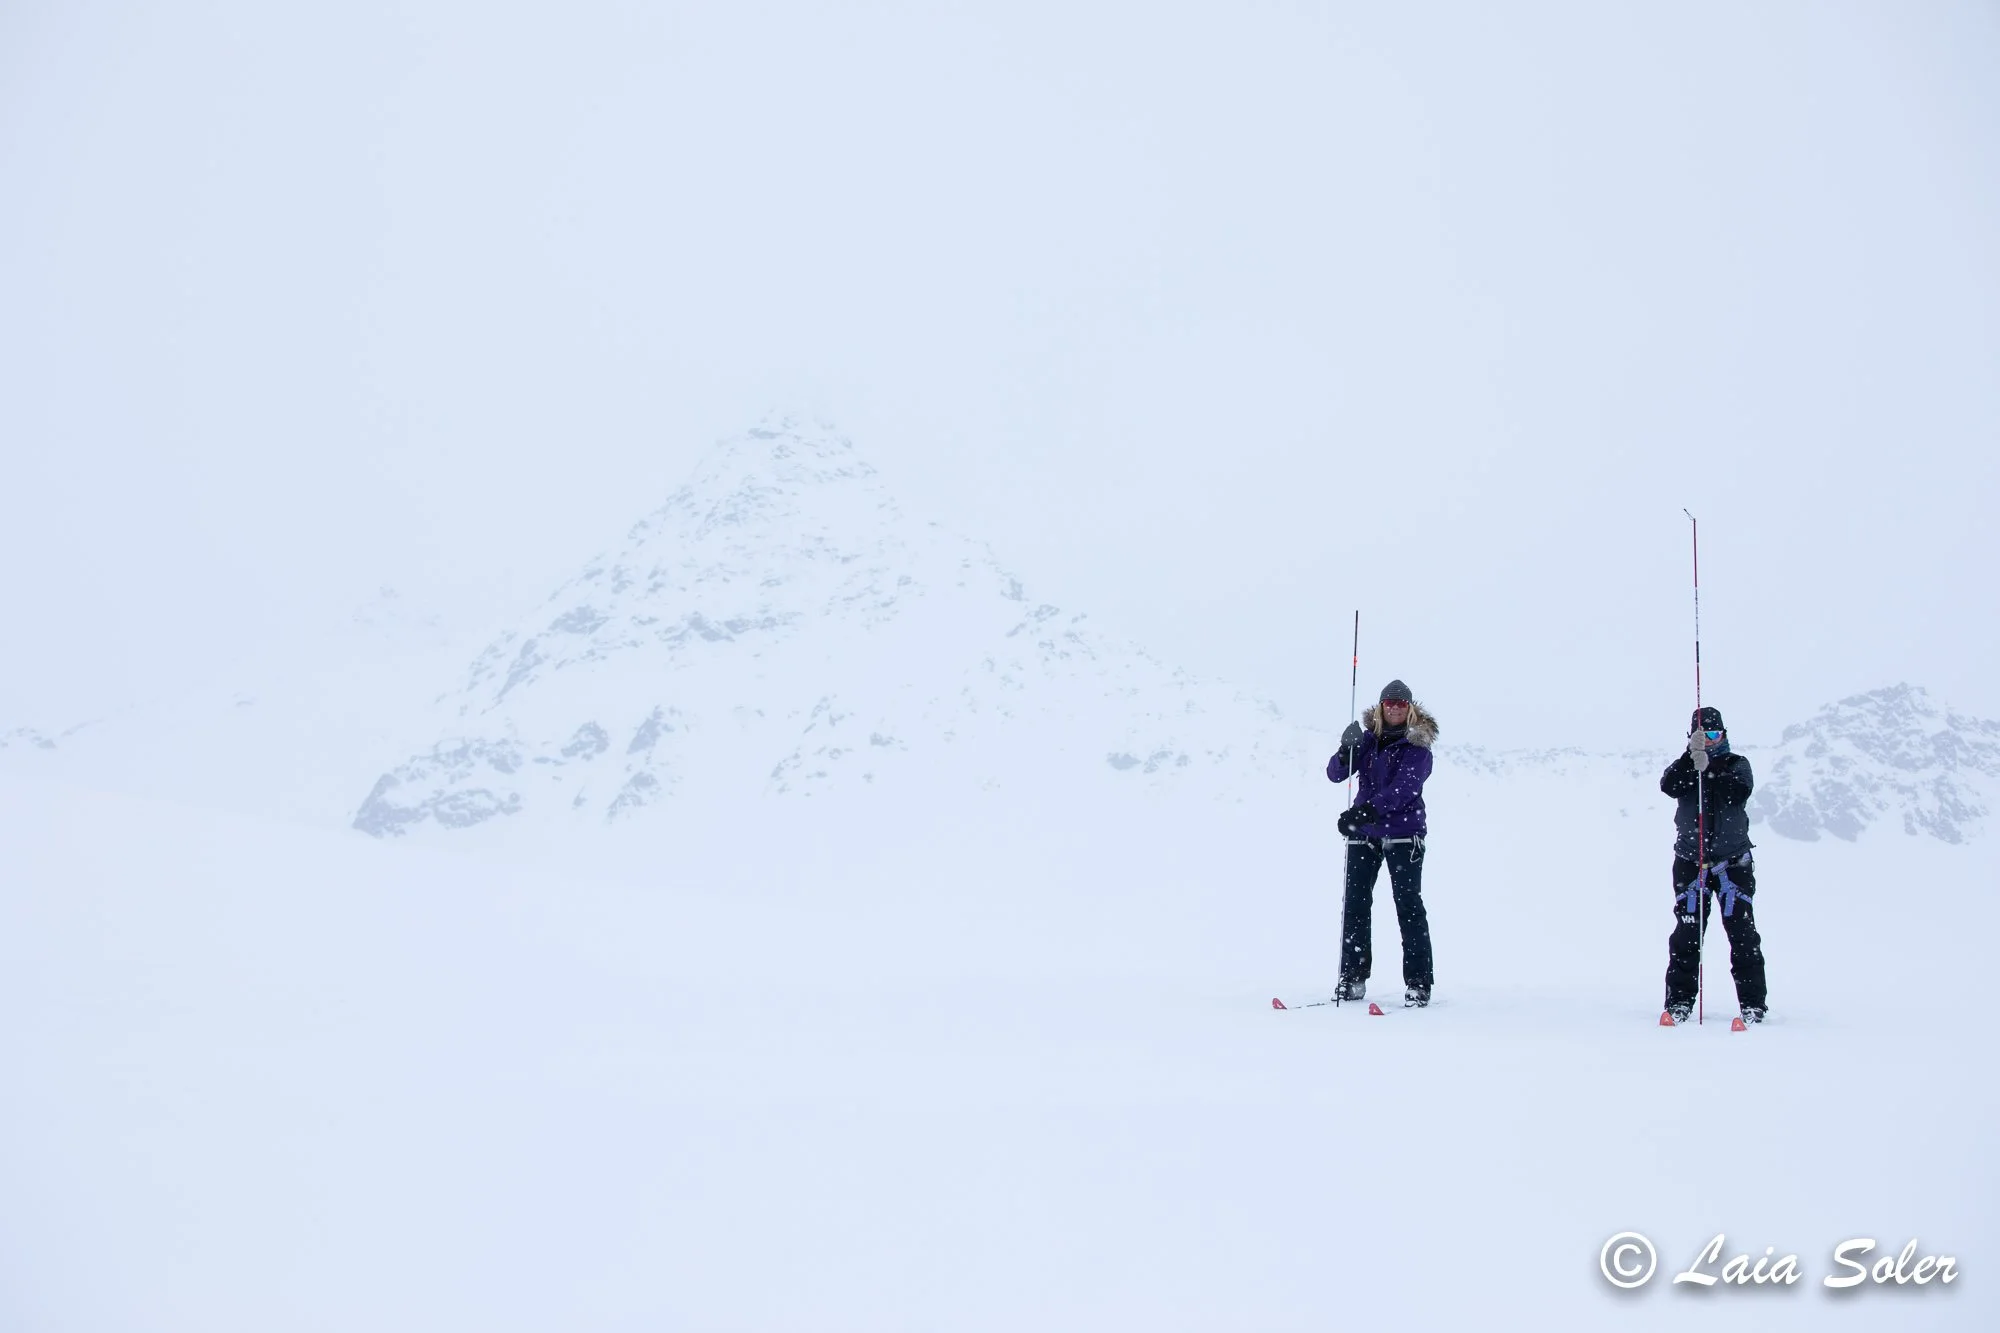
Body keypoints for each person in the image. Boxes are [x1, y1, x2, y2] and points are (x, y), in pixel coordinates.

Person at [1325, 679, 1438, 1007]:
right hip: (1366, 836)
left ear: (1410, 708)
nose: (1394, 708)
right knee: (1355, 905)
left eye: (1401, 704)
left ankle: (1419, 983)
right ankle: (1352, 978)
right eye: (1389, 702)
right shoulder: (1367, 741)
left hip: (1404, 834)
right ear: (1380, 706)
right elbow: (1335, 774)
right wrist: (1345, 750)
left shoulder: (1419, 746)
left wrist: (1363, 812)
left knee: (1408, 906)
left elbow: (1405, 789)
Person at [1659, 705, 1769, 1024]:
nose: (1708, 740)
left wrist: (1708, 768)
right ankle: (1678, 1002)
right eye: (1701, 735)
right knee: (1687, 935)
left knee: (1742, 933)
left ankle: (1753, 1004)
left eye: (1713, 734)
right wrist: (1689, 761)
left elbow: (1737, 794)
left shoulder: (1737, 765)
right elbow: (1669, 787)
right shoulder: (1685, 766)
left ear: (1723, 734)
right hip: (1690, 864)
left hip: (1732, 865)